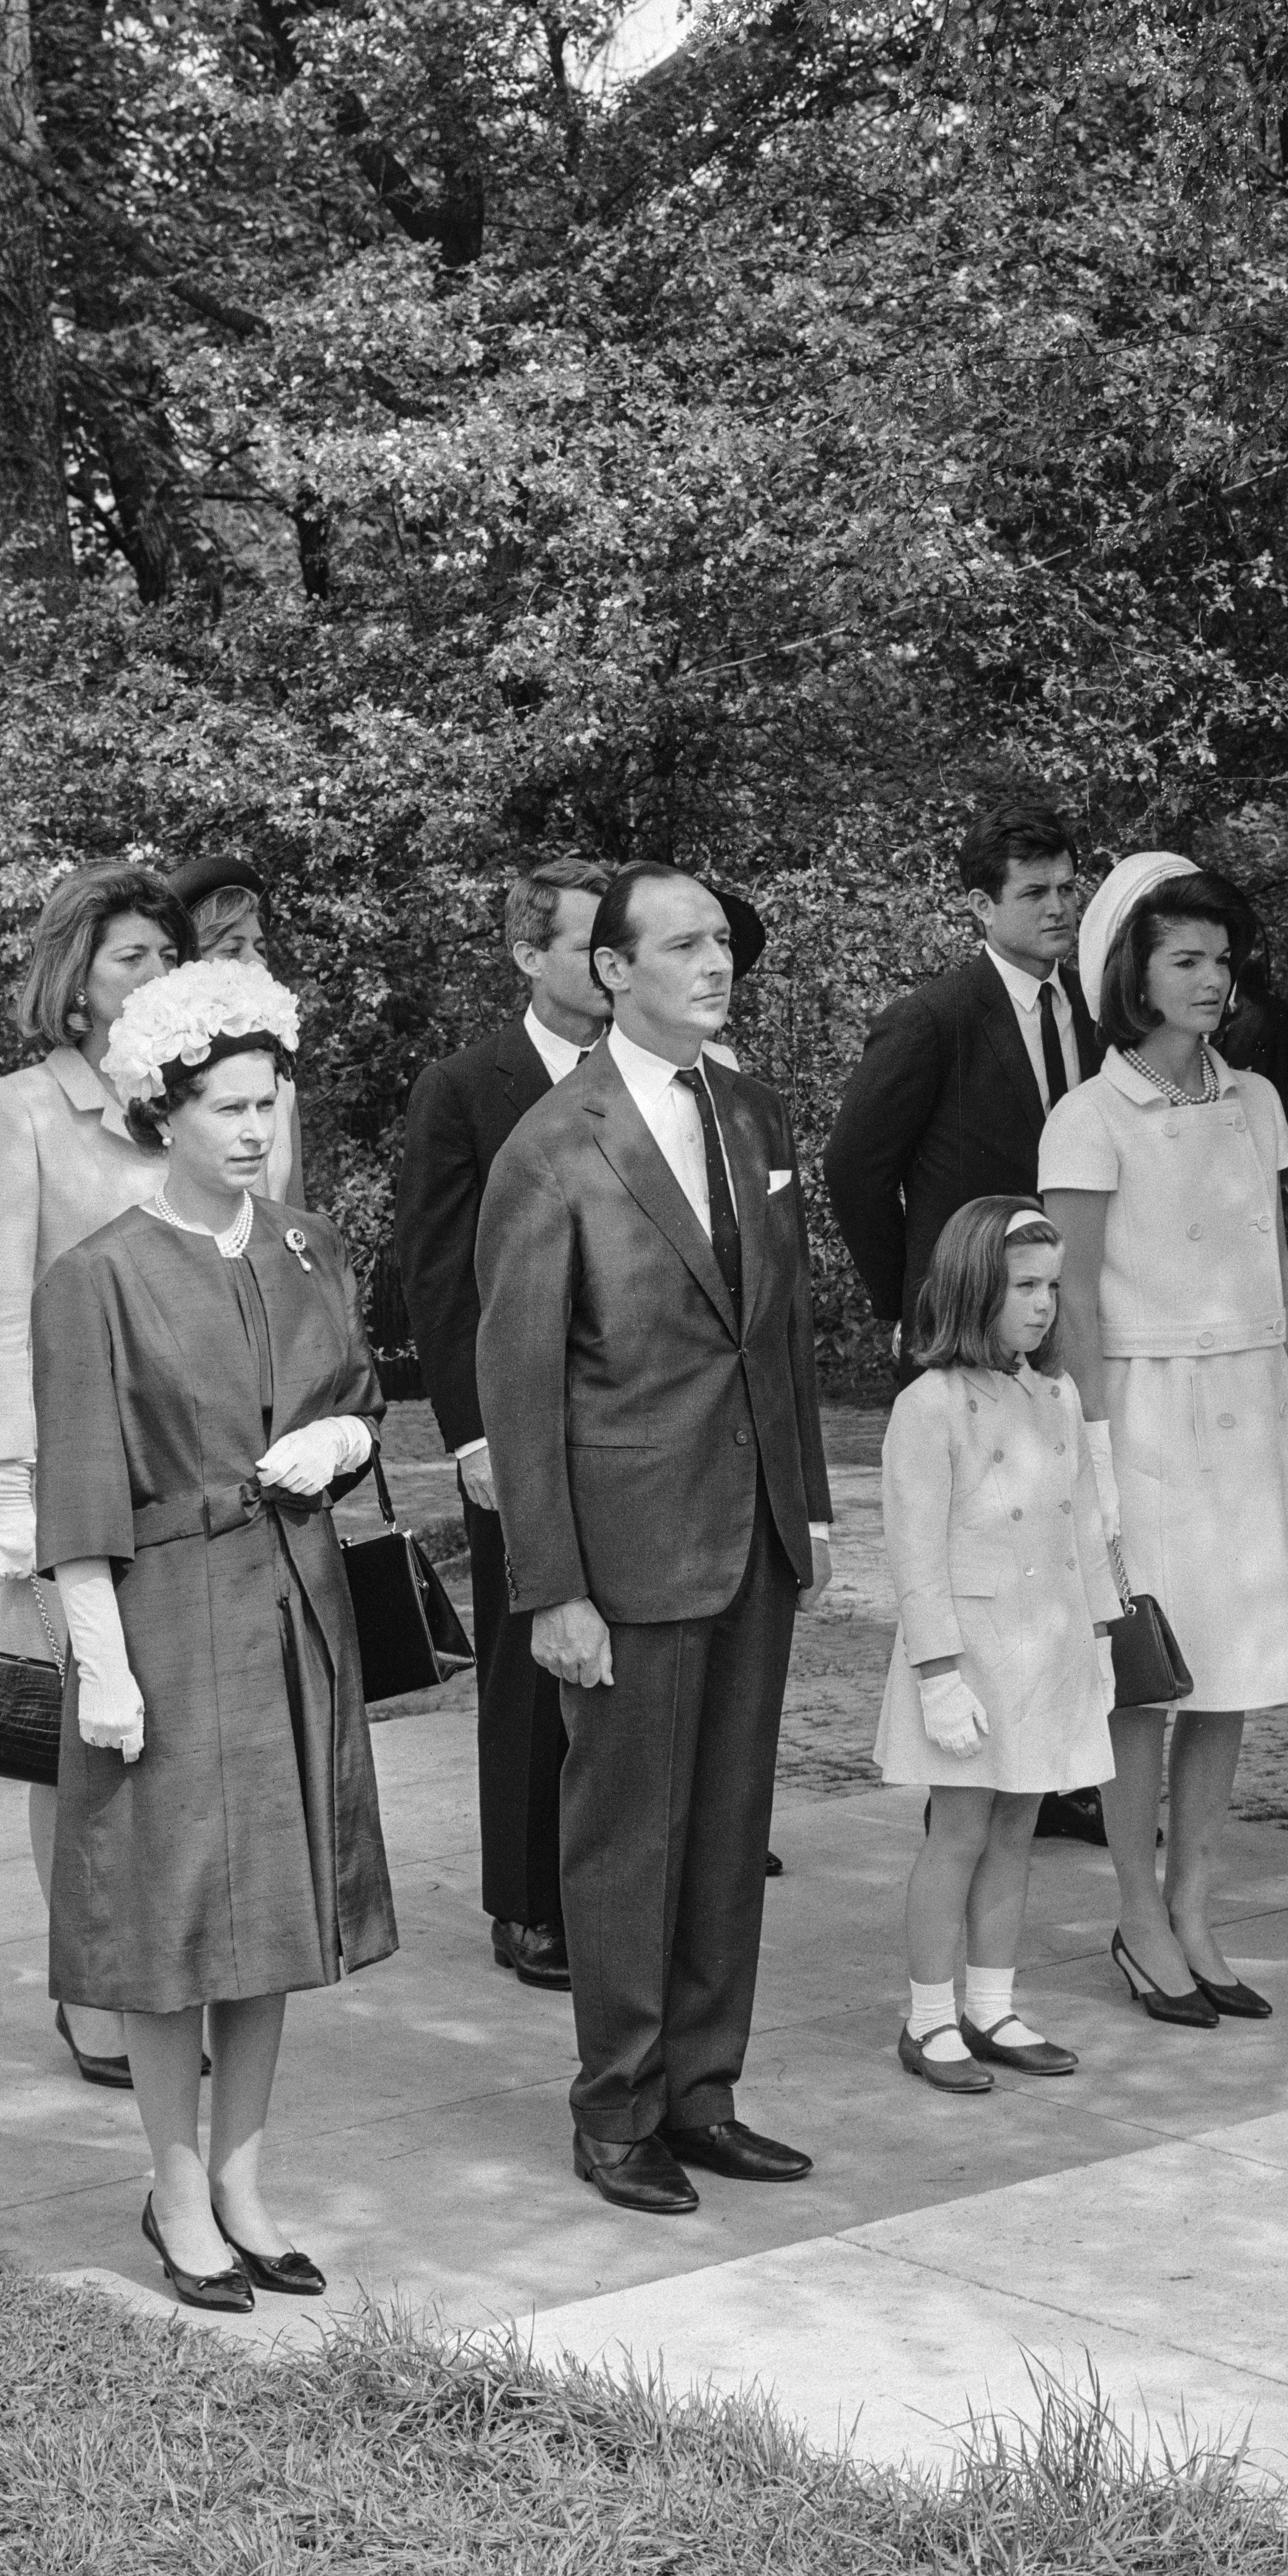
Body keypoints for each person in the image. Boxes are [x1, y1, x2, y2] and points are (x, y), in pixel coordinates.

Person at [34, 959, 394, 2313]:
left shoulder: (307, 1245)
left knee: (277, 1915)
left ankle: (245, 2182)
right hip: (169, 1617)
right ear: (164, 1112)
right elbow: (77, 1490)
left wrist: (345, 1436)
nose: (255, 1129)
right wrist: (104, 1664)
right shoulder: (101, 1278)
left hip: (294, 1599)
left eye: (269, 1103)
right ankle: (175, 2192)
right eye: (227, 1106)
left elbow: (358, 1395)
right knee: (173, 1917)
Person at [474, 862, 834, 2217]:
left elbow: (778, 1333)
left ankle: (703, 2091)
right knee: (627, 1835)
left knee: (730, 1823)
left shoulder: (750, 1108)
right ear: (612, 970)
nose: (715, 958)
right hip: (624, 1548)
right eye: (681, 942)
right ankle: (616, 2107)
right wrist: (552, 1586)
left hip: (751, 1535)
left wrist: (804, 1506)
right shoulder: (554, 1144)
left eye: (721, 940)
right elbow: (519, 1387)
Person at [1039, 851, 1288, 2028]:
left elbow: (1273, 1256)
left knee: (1232, 1677)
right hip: (1144, 1418)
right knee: (1147, 1677)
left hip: (1247, 1405)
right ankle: (1137, 1916)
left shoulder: (1253, 1100)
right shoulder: (1089, 1115)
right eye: (1184, 960)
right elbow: (1072, 1300)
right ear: (1134, 974)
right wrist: (1096, 1449)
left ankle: (1196, 1906)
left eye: (1220, 959)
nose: (1211, 979)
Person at [0, 858, 193, 2083]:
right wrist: (8, 1476)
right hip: (72, 1468)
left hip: (200, 1468)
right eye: (129, 958)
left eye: (168, 954)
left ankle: (176, 1962)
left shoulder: (225, 1097)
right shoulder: (25, 1108)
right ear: (77, 984)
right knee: (78, 1735)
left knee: (185, 1729)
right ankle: (91, 1982)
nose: (155, 975)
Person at [382, 856, 611, 1994]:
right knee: (530, 1666)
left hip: (639, 1418)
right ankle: (526, 1902)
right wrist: (471, 1432)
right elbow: (437, 1271)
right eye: (585, 941)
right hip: (514, 1420)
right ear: (528, 954)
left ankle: (616, 1874)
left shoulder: (663, 1076)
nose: (611, 960)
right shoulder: (467, 1085)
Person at [877, 1196, 1119, 2094]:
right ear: (976, 1286)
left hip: (1045, 1647)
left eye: (1052, 1285)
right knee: (959, 1830)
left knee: (1018, 1827)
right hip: (971, 1656)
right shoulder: (930, 1403)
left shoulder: (1056, 1396)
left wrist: (1100, 1633)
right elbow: (914, 1548)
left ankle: (991, 2000)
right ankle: (930, 2014)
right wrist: (938, 1670)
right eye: (1024, 1285)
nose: (1044, 1303)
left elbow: (1086, 1529)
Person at [823, 808, 1097, 1366]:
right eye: (1035, 893)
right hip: (965, 1320)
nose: (1059, 907)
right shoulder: (930, 1021)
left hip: (1085, 1314)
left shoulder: (1100, 1009)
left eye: (1068, 889)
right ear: (981, 906)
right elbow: (854, 1170)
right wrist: (915, 1295)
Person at [162, 853, 304, 1204]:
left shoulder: (280, 1081)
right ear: (187, 961)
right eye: (232, 949)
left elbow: (293, 1207)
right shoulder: (158, 1080)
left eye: (260, 947)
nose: (256, 962)